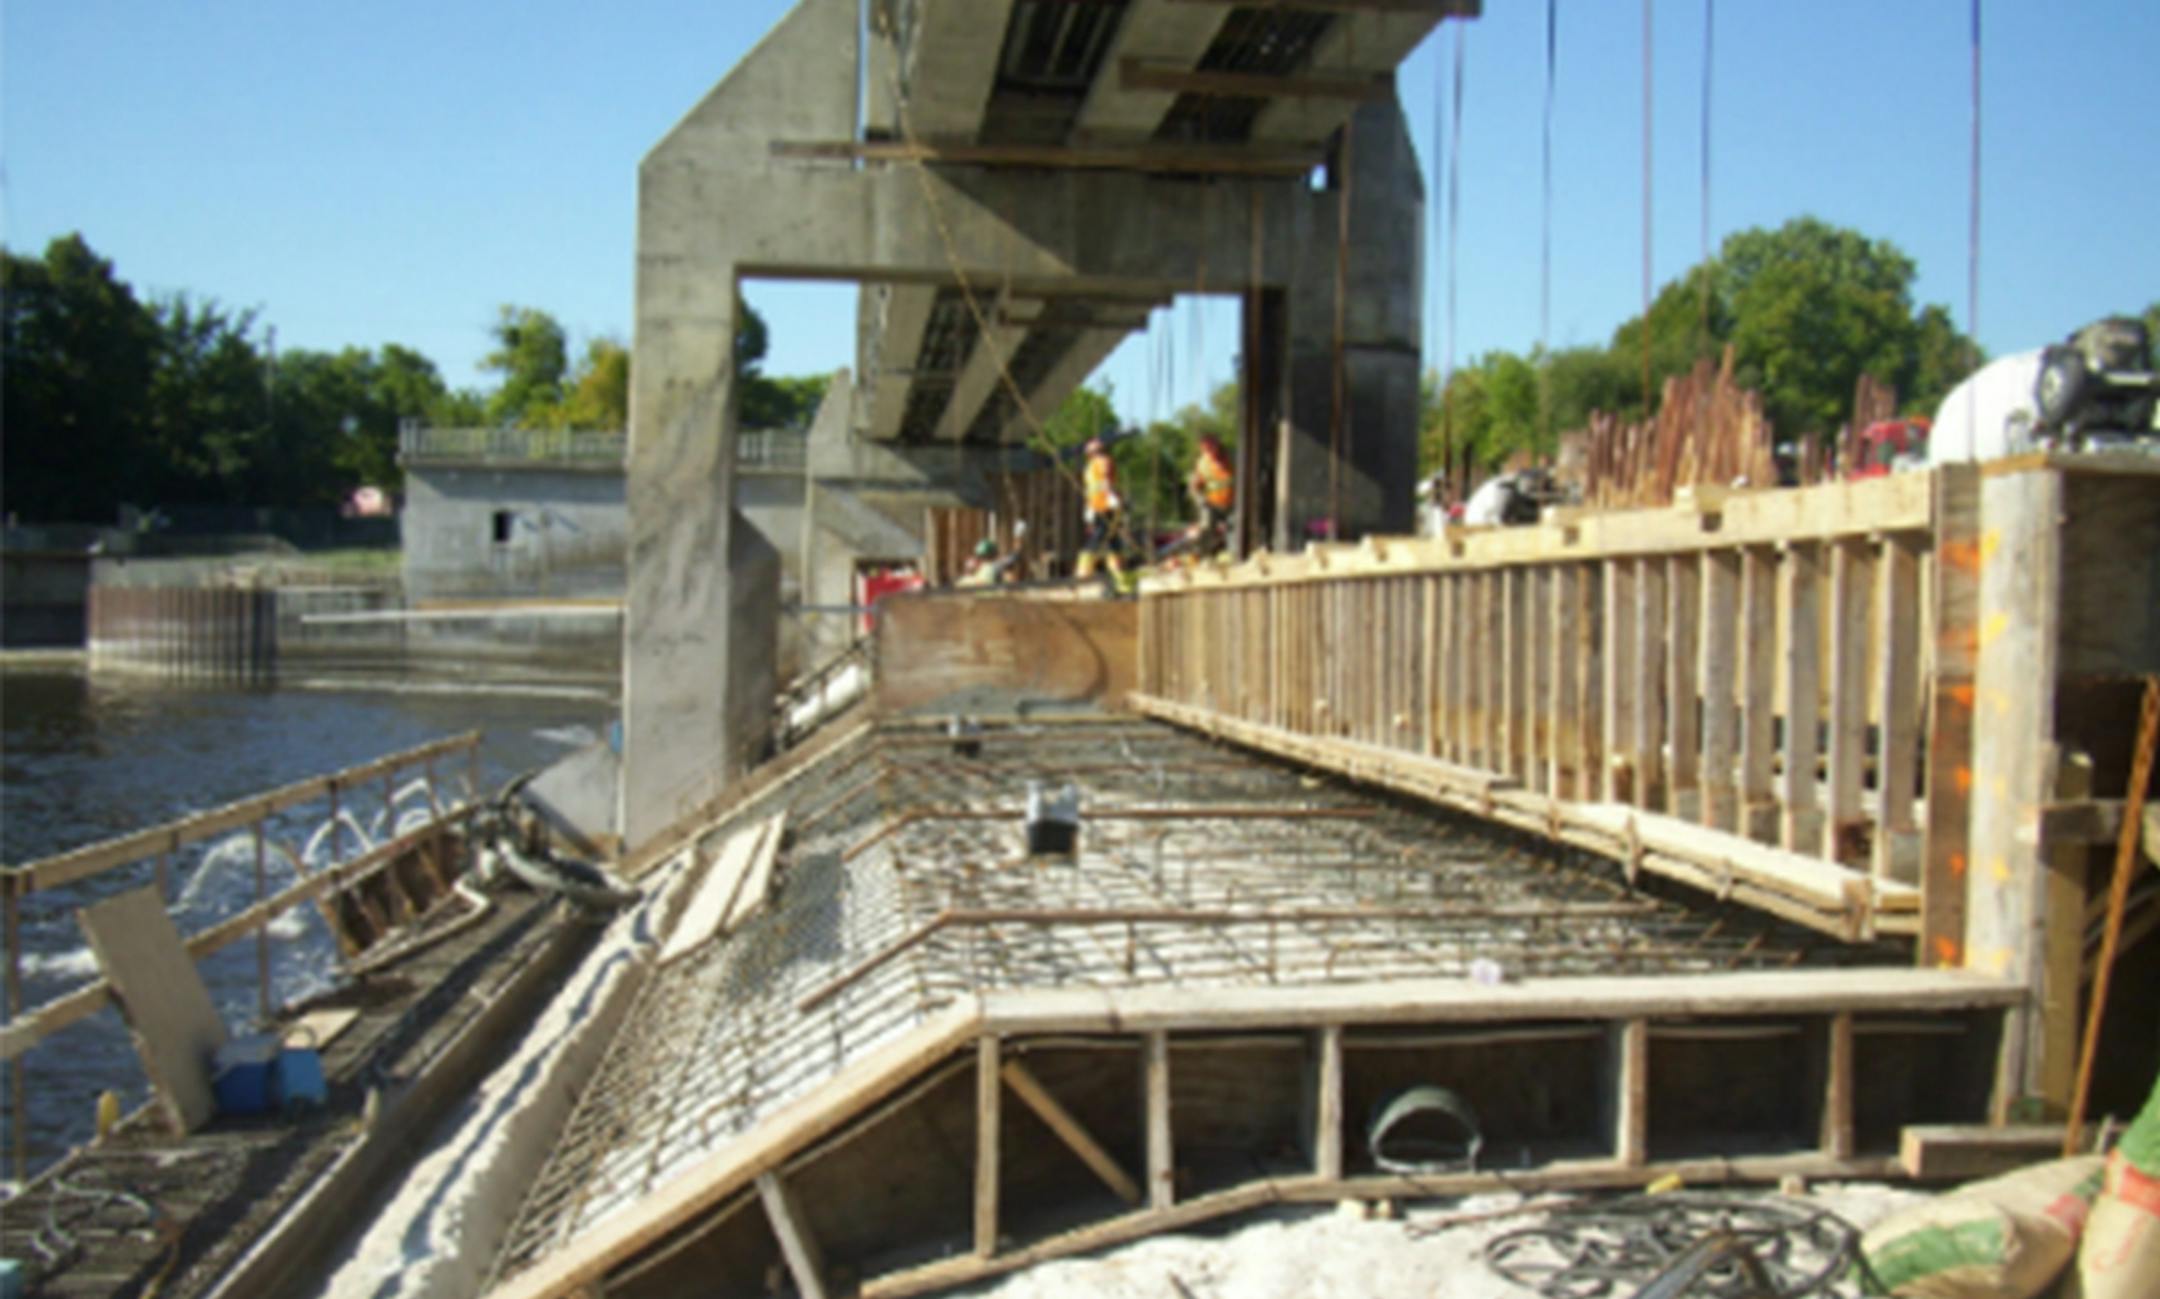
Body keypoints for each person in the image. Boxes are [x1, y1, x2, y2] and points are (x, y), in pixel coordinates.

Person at [1076, 437, 1126, 579]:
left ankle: (1118, 572)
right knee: (1102, 536)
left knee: (1111, 539)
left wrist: (1089, 509)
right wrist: (1114, 497)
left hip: (1098, 505)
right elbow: (1105, 481)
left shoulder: (1089, 467)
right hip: (1104, 505)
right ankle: (1084, 571)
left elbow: (1094, 487)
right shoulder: (1103, 462)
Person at [1185, 434, 1235, 557]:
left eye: (1212, 447)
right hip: (1213, 505)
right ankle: (1204, 556)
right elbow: (1194, 486)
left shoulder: (1233, 458)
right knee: (1206, 526)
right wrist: (1200, 500)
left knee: (1235, 527)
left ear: (1218, 445)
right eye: (1206, 449)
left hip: (1233, 504)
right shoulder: (1202, 463)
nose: (1210, 452)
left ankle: (1234, 555)